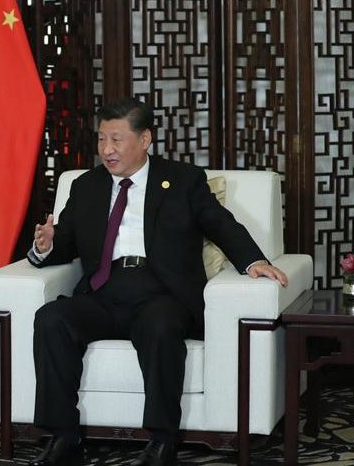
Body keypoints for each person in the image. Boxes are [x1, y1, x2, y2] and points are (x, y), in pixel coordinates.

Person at [26, 98, 288, 466]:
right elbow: (63, 244)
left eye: (116, 140)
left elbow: (221, 224)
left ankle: (162, 441)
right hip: (103, 289)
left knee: (161, 325)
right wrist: (45, 246)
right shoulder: (86, 185)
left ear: (145, 139)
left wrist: (253, 261)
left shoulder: (183, 180)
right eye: (101, 140)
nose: (106, 150)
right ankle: (63, 438)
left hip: (161, 291)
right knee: (51, 318)